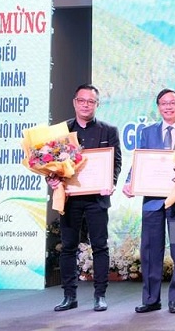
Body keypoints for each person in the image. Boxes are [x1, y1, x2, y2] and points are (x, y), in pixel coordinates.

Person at [122, 88, 175, 314]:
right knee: (150, 250)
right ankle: (151, 299)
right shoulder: (148, 132)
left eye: (172, 103)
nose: (168, 107)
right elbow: (139, 161)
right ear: (158, 107)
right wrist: (130, 181)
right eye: (163, 103)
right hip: (152, 199)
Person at [52, 84, 121, 312]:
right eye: (81, 100)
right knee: (68, 247)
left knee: (100, 246)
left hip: (97, 199)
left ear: (97, 104)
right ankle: (69, 296)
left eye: (90, 101)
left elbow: (116, 162)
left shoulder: (108, 131)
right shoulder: (62, 131)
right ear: (74, 102)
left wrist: (111, 182)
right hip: (70, 198)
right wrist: (52, 179)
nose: (85, 105)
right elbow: (51, 163)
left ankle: (100, 295)